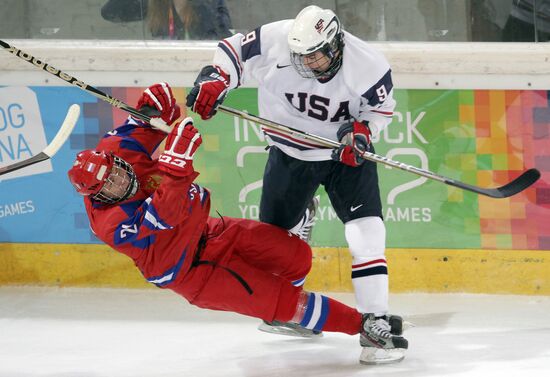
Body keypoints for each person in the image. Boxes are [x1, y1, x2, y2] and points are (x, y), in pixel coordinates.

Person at [67, 82, 408, 365]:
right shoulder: (109, 223)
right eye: (108, 186)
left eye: (114, 171)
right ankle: (361, 327)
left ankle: (288, 319)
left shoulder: (114, 148)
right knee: (285, 301)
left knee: (297, 258)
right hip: (192, 271)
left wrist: (156, 105)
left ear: (112, 159)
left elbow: (151, 123)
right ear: (99, 196)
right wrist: (176, 168)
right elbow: (165, 215)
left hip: (210, 232)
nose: (117, 181)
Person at [185, 5, 408, 363]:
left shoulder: (368, 65)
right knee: (275, 242)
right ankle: (291, 312)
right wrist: (217, 79)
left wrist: (362, 134)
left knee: (367, 234)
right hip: (290, 154)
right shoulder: (277, 38)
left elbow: (379, 110)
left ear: (335, 46)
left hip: (343, 157)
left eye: (316, 56)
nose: (307, 65)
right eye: (300, 57)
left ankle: (376, 322)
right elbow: (232, 50)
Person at [101, 0, 232, 40]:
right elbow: (109, 12)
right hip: (165, 73)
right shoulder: (153, 4)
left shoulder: (206, 5)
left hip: (199, 73)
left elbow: (224, 36)